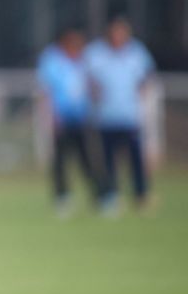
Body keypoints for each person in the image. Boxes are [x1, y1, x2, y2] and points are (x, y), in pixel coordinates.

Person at [84, 15, 156, 211]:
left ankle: (141, 195)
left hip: (130, 116)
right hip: (105, 117)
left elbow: (146, 77)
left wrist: (141, 97)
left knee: (136, 160)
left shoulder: (137, 52)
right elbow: (87, 79)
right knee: (107, 161)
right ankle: (110, 196)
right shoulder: (96, 53)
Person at [36, 27, 106, 215]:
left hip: (82, 118)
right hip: (60, 120)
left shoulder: (85, 60)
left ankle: (100, 197)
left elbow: (94, 85)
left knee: (89, 160)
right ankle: (62, 197)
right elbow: (45, 91)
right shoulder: (52, 60)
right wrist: (50, 117)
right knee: (60, 161)